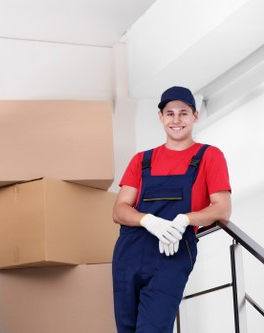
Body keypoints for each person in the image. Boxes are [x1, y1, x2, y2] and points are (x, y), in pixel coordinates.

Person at [111, 86, 232, 333]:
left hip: (172, 253)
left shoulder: (209, 156)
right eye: (170, 113)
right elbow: (119, 210)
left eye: (183, 113)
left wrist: (185, 219)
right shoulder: (141, 160)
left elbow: (222, 209)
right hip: (130, 252)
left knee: (152, 329)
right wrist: (149, 221)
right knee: (126, 328)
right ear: (161, 117)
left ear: (195, 116)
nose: (176, 120)